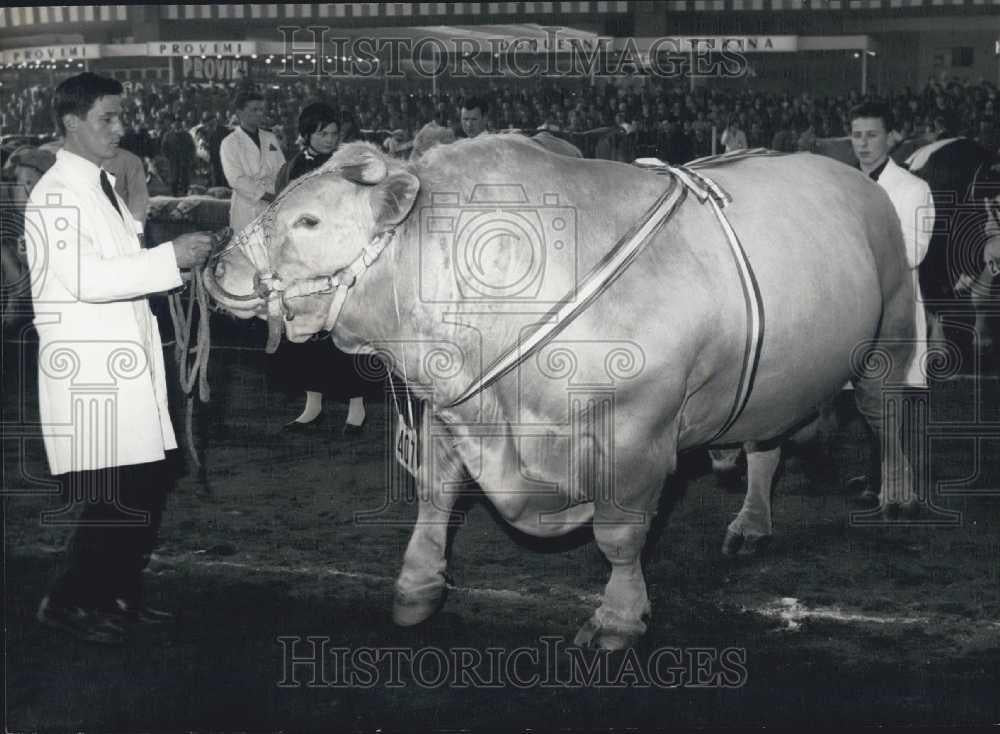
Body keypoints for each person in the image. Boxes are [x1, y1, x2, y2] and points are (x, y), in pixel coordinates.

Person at [26, 72, 214, 645]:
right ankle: (67, 600)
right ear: (71, 124)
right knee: (119, 492)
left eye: (120, 116)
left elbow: (120, 268)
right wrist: (168, 257)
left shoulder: (101, 185)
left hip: (125, 357)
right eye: (107, 118)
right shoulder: (55, 193)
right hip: (92, 366)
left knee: (148, 482)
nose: (120, 128)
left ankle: (118, 594)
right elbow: (83, 278)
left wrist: (175, 267)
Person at [848, 101, 934, 504]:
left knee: (894, 395)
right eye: (857, 135)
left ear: (892, 137)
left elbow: (914, 252)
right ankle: (873, 476)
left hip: (895, 307)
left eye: (872, 135)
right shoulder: (844, 185)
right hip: (856, 307)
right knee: (865, 396)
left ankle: (894, 481)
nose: (863, 144)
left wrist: (854, 256)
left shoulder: (913, 188)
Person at [273, 103, 373, 434]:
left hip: (339, 261)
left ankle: (356, 409)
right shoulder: (291, 169)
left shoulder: (347, 167)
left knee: (343, 335)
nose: (330, 140)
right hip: (304, 265)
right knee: (306, 337)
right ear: (307, 135)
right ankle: (312, 406)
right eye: (323, 133)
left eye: (334, 133)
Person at [220, 91, 285, 233]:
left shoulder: (270, 138)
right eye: (254, 109)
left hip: (272, 204)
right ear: (240, 113)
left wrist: (282, 191)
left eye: (262, 109)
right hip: (246, 207)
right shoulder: (230, 143)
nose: (260, 113)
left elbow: (282, 168)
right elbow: (236, 180)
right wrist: (267, 196)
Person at [160, 116, 196, 197]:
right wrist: (168, 157)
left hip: (184, 160)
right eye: (175, 123)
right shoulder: (168, 135)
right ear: (172, 125)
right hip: (173, 160)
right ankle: (174, 194)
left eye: (179, 123)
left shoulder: (187, 135)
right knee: (174, 178)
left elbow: (192, 148)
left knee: (185, 179)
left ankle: (185, 194)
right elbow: (164, 148)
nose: (177, 125)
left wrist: (190, 158)